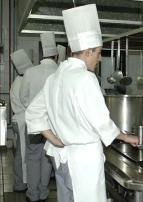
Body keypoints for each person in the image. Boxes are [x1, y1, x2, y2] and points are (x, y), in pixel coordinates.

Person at [25, 4, 138, 202]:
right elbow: (101, 120)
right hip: (83, 162)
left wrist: (52, 138)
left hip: (62, 158)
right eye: (98, 53)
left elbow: (33, 112)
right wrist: (125, 137)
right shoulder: (85, 78)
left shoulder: (55, 78)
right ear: (87, 51)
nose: (100, 58)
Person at [20, 32, 59, 202]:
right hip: (54, 125)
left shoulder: (30, 72)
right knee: (47, 159)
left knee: (33, 158)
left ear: (42, 54)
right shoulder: (60, 72)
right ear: (56, 55)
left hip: (35, 124)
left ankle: (33, 194)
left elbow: (23, 98)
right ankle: (43, 192)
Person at [9, 49, 33, 192]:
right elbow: (27, 102)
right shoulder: (22, 81)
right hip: (22, 119)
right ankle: (20, 184)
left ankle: (22, 182)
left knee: (22, 152)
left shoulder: (18, 80)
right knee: (21, 154)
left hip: (19, 119)